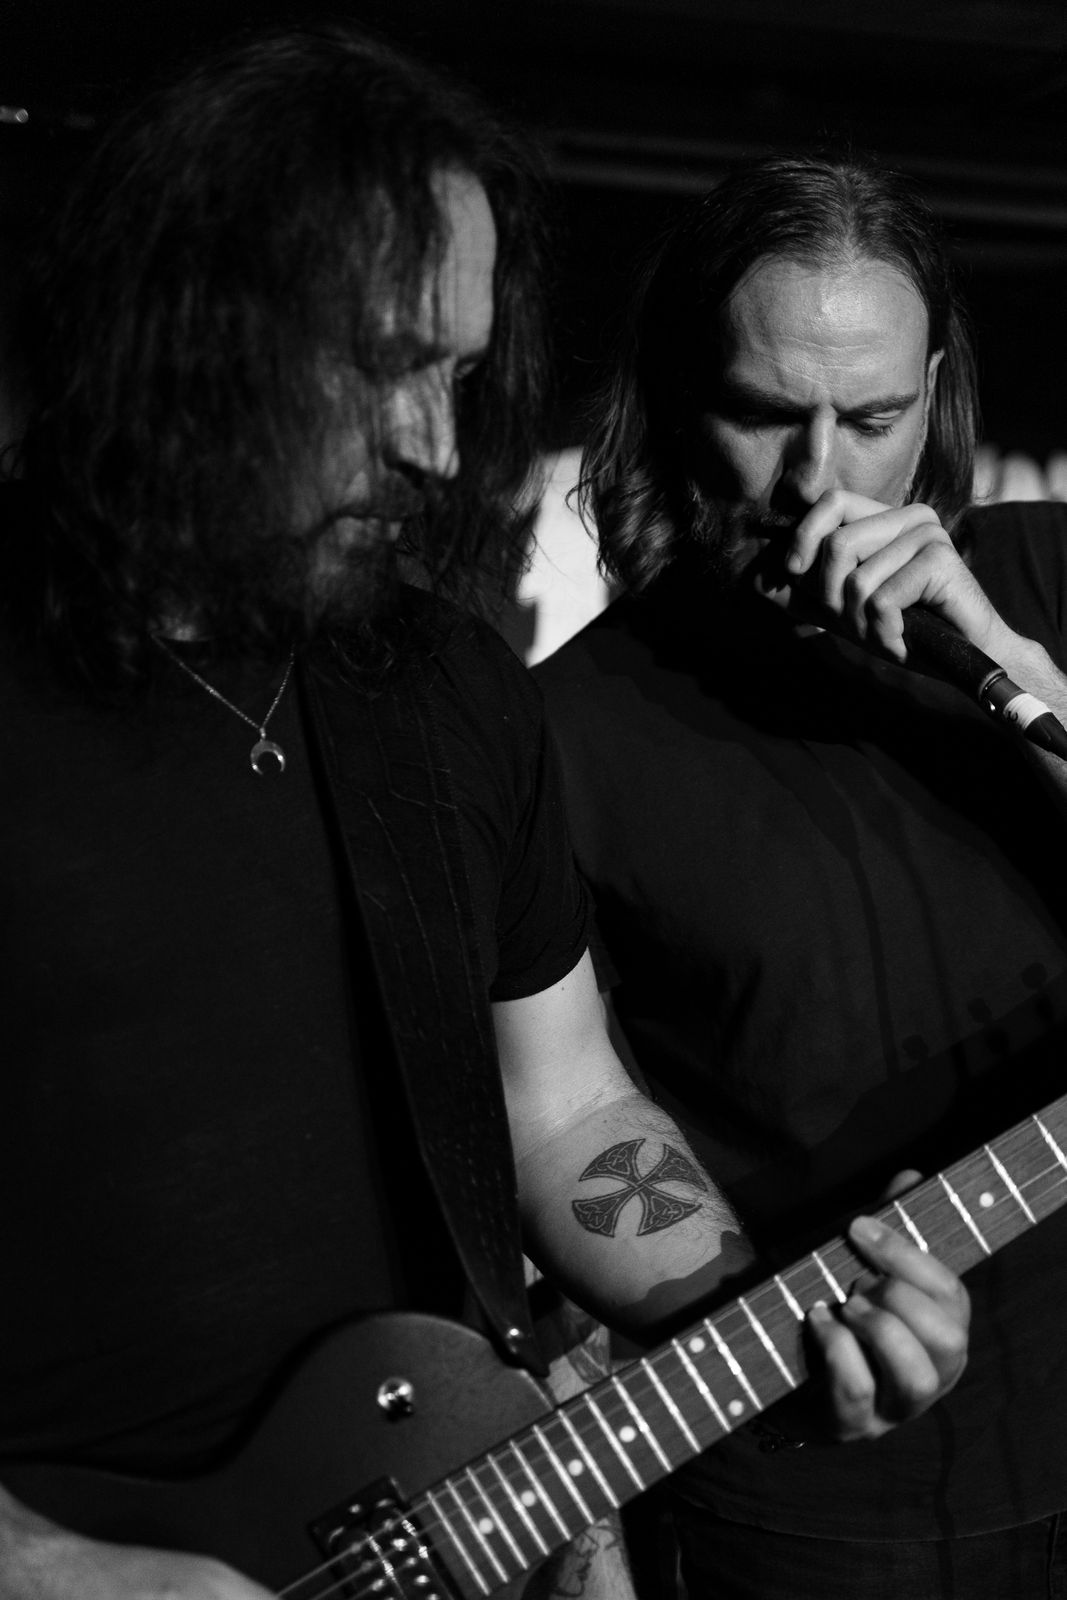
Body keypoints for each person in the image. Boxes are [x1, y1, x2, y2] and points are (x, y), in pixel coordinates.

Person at [0, 47, 967, 1600]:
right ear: (187, 322)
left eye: (451, 378)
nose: (436, 448)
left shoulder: (436, 681)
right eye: (383, 366)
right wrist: (55, 1571)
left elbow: (563, 1107)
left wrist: (762, 1316)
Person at [536, 153, 1067, 1598]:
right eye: (766, 415)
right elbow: (574, 1116)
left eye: (874, 418)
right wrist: (741, 1345)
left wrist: (1004, 658)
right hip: (822, 1501)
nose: (818, 478)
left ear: (936, 396)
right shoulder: (565, 730)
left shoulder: (1044, 586)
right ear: (673, 400)